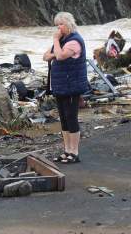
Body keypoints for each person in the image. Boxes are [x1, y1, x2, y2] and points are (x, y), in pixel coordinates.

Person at [43, 12, 89, 164]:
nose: (58, 28)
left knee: (71, 118)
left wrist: (56, 42)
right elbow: (45, 56)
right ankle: (67, 150)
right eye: (57, 25)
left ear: (68, 24)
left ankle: (74, 152)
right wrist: (55, 50)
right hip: (60, 85)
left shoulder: (74, 41)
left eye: (61, 24)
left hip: (71, 85)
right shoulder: (62, 40)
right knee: (63, 118)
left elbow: (61, 56)